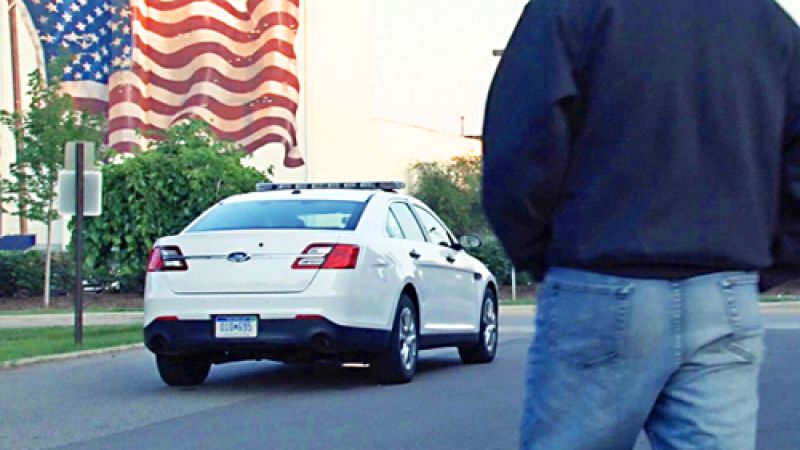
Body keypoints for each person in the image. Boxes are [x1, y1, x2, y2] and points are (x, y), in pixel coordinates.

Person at [482, 0, 800, 449]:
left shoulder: (570, 10)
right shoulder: (767, 21)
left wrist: (542, 253)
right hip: (722, 291)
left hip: (598, 280)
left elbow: (518, 147)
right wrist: (769, 261)